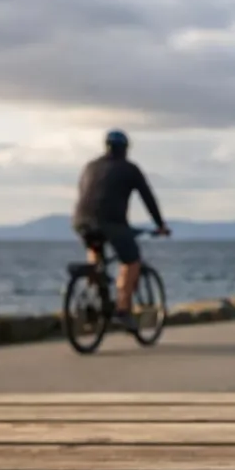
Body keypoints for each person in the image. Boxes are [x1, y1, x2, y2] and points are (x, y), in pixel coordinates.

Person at [72, 129, 171, 331]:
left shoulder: (90, 166)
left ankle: (95, 293)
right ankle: (123, 310)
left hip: (81, 220)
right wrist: (160, 225)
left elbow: (84, 192)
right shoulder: (130, 169)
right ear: (125, 149)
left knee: (95, 252)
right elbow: (148, 198)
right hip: (111, 223)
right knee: (131, 261)